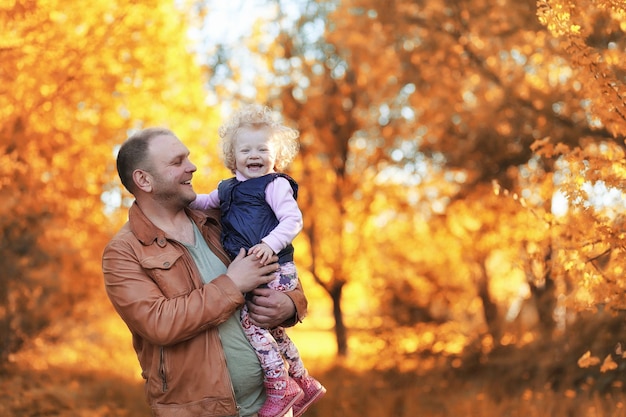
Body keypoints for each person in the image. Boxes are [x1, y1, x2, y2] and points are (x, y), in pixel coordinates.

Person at [102, 127, 308, 417]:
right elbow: (159, 323)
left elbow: (283, 272)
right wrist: (233, 284)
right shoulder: (124, 252)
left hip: (272, 407)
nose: (193, 166)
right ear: (144, 180)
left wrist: (288, 306)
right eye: (177, 162)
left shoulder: (223, 218)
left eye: (188, 158)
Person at [190, 104, 326, 417]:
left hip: (275, 268)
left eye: (262, 149)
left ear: (275, 155)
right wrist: (182, 198)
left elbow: (292, 221)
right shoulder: (227, 189)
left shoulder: (275, 184)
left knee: (250, 323)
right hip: (257, 271)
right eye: (245, 149)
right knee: (274, 331)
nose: (254, 155)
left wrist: (269, 243)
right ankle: (304, 382)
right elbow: (201, 202)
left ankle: (281, 386)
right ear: (232, 156)